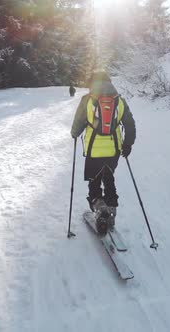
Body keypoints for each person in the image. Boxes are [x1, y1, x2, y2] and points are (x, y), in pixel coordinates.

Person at [70, 72, 136, 229]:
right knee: (109, 177)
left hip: (93, 151)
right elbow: (130, 125)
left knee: (94, 181)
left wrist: (74, 134)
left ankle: (100, 210)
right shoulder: (119, 101)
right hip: (113, 150)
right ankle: (111, 211)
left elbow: (78, 123)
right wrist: (127, 145)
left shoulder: (87, 100)